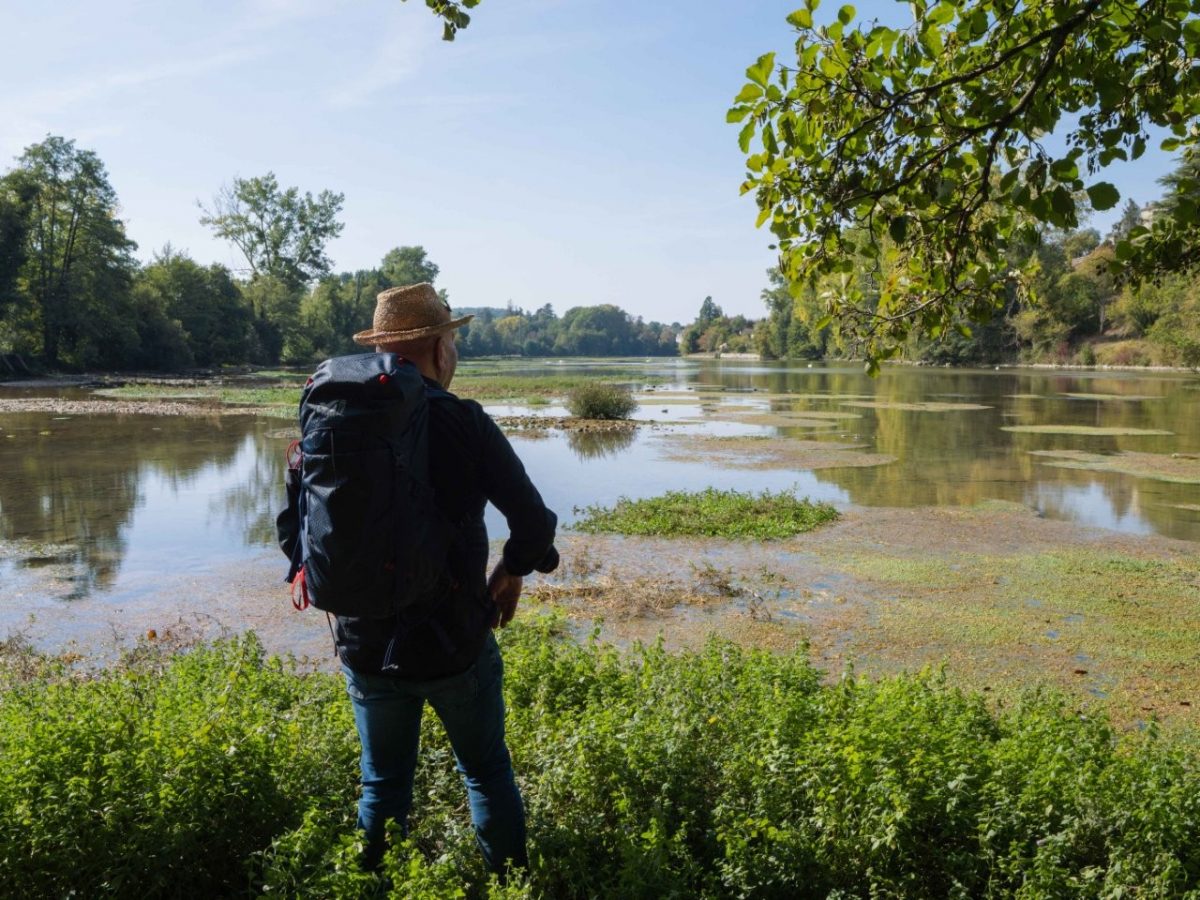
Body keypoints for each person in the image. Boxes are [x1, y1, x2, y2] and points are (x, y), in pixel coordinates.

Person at [305, 283, 558, 874]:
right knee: (487, 772)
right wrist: (511, 572)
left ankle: (371, 885)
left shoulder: (333, 413)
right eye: (452, 340)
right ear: (440, 347)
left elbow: (296, 527)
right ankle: (508, 886)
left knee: (383, 784)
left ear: (383, 348)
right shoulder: (462, 419)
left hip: (365, 643)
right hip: (454, 641)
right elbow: (533, 520)